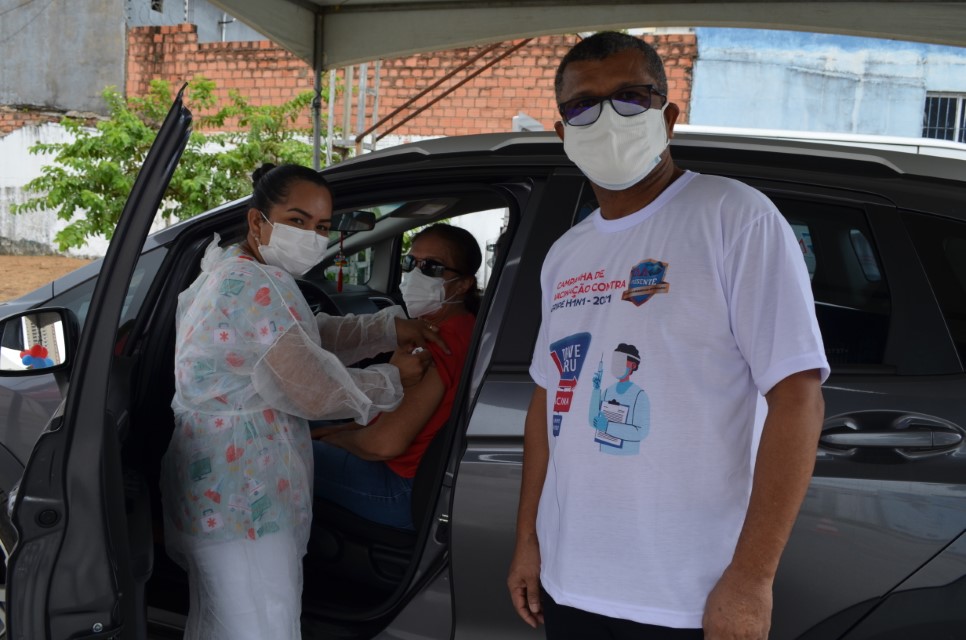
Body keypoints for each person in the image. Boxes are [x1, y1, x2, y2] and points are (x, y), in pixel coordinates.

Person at [507, 32, 828, 639]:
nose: (608, 119)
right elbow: (550, 400)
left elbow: (798, 397)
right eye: (584, 106)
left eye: (630, 98)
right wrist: (528, 539)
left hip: (685, 594)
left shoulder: (734, 217)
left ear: (669, 116)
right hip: (570, 579)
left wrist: (751, 579)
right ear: (563, 133)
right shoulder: (567, 253)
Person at [160, 163, 442, 640]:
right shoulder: (257, 285)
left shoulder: (231, 269)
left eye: (322, 227)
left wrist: (385, 328)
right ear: (257, 221)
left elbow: (300, 336)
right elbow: (313, 389)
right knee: (260, 624)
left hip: (220, 488)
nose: (311, 237)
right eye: (297, 220)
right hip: (245, 494)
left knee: (222, 619)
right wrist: (392, 378)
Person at [312, 223, 481, 530]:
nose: (415, 274)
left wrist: (338, 439)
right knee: (309, 428)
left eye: (431, 267)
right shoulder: (462, 326)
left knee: (277, 448)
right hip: (414, 477)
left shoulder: (437, 344)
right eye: (410, 262)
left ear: (462, 284)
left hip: (398, 488)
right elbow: (387, 416)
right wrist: (341, 430)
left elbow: (383, 445)